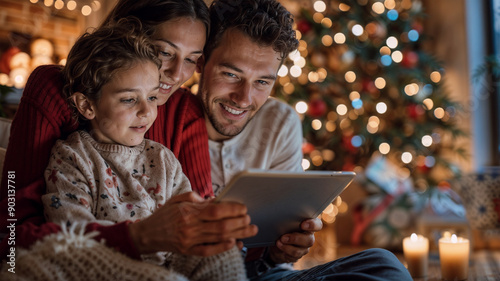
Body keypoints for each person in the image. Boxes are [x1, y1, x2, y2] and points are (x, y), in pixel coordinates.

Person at [0, 0, 256, 263]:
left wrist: (269, 252)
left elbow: (200, 226)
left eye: (192, 59)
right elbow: (9, 237)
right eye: (164, 52)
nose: (177, 74)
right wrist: (137, 238)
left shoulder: (184, 115)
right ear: (129, 38)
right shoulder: (56, 102)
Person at [197, 0, 413, 280]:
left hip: (261, 275)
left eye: (262, 82)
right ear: (201, 62)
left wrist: (282, 249)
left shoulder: (279, 121)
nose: (244, 98)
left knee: (384, 264)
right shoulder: (163, 118)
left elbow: (275, 246)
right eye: (230, 74)